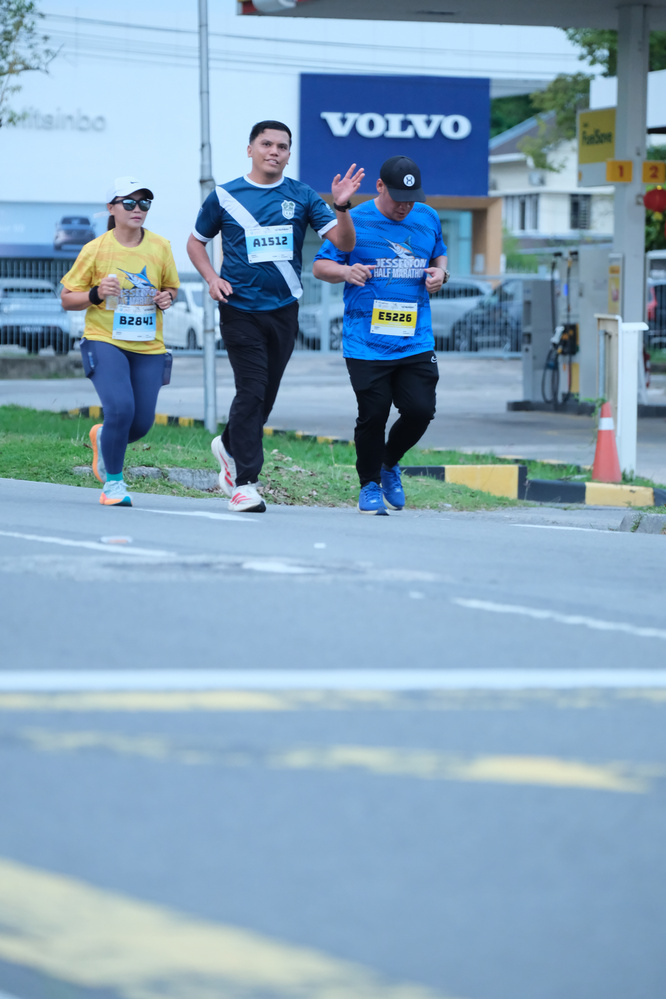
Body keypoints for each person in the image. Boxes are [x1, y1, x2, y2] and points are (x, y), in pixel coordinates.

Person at [186, 119, 364, 513]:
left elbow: (344, 243)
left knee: (264, 398)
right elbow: (196, 243)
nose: (274, 152)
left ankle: (228, 444)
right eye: (266, 144)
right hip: (239, 309)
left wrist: (341, 206)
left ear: (288, 154)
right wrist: (212, 278)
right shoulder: (225, 195)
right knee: (251, 390)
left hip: (284, 310)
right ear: (250, 149)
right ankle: (244, 483)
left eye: (282, 147)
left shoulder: (302, 195)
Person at [312, 155, 448, 515]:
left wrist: (441, 274)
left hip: (415, 339)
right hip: (366, 342)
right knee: (373, 415)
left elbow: (439, 255)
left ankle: (389, 463)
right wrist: (346, 273)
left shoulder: (427, 217)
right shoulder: (354, 220)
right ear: (380, 187)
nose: (405, 207)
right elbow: (320, 266)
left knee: (421, 411)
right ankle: (369, 484)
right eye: (398, 199)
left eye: (411, 200)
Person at [61, 176, 179, 507]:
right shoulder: (95, 249)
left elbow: (171, 287)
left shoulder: (160, 246)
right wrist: (96, 293)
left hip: (148, 346)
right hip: (105, 340)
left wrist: (167, 298)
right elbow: (67, 298)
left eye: (144, 203)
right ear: (111, 208)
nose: (137, 208)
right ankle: (113, 483)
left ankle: (103, 437)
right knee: (120, 409)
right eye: (128, 202)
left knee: (140, 424)